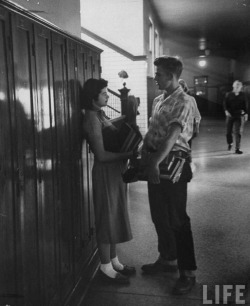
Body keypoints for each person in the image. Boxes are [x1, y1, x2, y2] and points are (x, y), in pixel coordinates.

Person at [141, 56, 197, 295]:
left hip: (173, 164)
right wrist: (145, 153)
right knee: (159, 215)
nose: (155, 78)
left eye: (159, 74)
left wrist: (153, 161)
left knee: (177, 219)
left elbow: (174, 134)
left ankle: (188, 272)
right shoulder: (158, 100)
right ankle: (167, 258)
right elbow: (154, 130)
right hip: (156, 162)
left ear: (173, 76)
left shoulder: (184, 101)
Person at [81, 78, 136, 284]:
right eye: (104, 93)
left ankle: (114, 261)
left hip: (115, 172)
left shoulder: (100, 114)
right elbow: (102, 155)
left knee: (114, 215)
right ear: (93, 97)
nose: (107, 95)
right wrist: (129, 153)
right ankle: (105, 267)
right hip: (105, 172)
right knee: (106, 218)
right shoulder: (91, 119)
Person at [223, 80, 248, 154]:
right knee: (228, 132)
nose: (237, 87)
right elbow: (225, 104)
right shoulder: (228, 94)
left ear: (241, 87)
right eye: (236, 85)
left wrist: (246, 113)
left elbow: (245, 105)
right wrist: (226, 111)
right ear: (233, 86)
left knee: (238, 132)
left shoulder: (243, 95)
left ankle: (237, 148)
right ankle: (230, 143)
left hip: (239, 115)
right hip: (230, 115)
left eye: (239, 86)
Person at [179, 79, 201, 148]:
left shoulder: (191, 99)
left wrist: (197, 127)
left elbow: (197, 115)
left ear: (184, 88)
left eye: (180, 88)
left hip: (188, 132)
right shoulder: (173, 100)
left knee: (187, 153)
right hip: (176, 132)